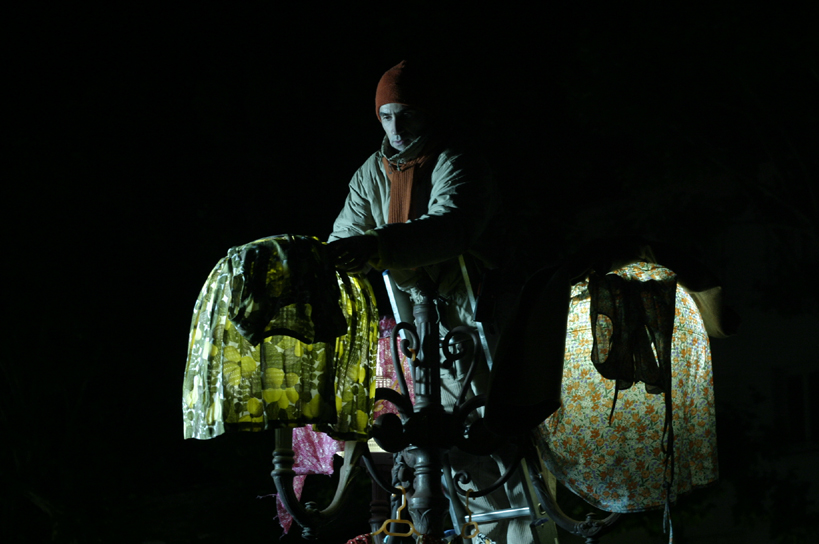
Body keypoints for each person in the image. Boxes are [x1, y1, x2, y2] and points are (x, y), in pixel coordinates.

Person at [327, 60, 531, 543]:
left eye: (407, 115)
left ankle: (522, 534)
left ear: (428, 113)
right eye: (386, 117)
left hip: (474, 316)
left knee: (492, 430)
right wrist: (330, 259)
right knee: (444, 442)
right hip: (416, 327)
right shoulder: (370, 174)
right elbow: (343, 235)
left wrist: (376, 246)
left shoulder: (456, 160)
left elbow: (452, 225)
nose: (396, 128)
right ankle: (481, 534)